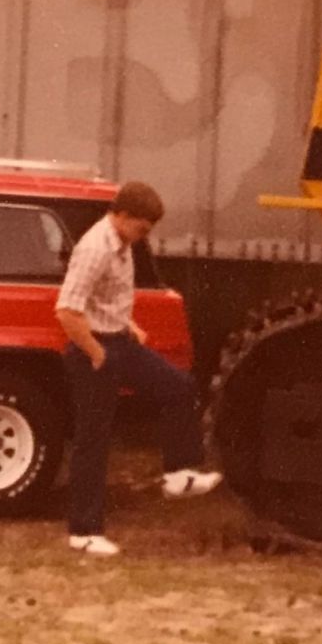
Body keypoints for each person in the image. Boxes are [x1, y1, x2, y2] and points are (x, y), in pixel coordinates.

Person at [53, 179, 218, 556]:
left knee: (179, 386)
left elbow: (103, 298)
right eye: (141, 228)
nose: (143, 237)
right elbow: (67, 310)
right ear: (122, 216)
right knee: (93, 441)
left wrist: (128, 325)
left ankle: (179, 473)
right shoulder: (95, 248)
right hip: (94, 349)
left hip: (117, 340)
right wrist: (97, 354)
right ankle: (84, 532)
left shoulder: (123, 244)